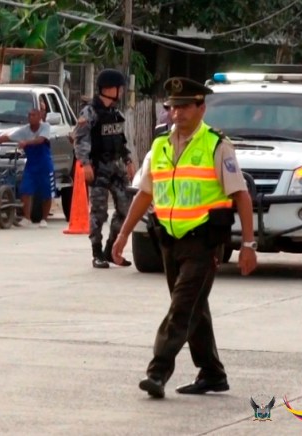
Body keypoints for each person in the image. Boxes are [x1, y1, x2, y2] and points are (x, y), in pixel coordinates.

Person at [110, 77, 258, 399]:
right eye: (172, 107)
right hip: (169, 239)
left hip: (204, 242)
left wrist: (248, 245)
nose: (177, 113)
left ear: (201, 108)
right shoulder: (160, 145)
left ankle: (157, 372)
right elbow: (145, 193)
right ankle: (212, 373)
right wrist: (122, 235)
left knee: (181, 309)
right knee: (193, 308)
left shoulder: (216, 145)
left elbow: (241, 196)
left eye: (184, 107)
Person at [73, 69, 135, 268]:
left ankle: (110, 249)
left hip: (116, 167)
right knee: (98, 212)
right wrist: (85, 164)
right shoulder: (89, 112)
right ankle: (97, 252)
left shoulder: (115, 113)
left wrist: (128, 160)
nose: (122, 92)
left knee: (126, 208)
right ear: (109, 89)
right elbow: (80, 139)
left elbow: (120, 140)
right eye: (120, 88)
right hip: (98, 167)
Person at [0, 107, 55, 227]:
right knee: (25, 190)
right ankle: (27, 218)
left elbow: (41, 140)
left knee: (46, 193)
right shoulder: (24, 130)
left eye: (33, 115)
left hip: (44, 164)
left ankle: (44, 219)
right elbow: (6, 137)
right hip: (31, 165)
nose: (31, 118)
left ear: (39, 117)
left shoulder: (45, 127)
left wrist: (26, 142)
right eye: (29, 115)